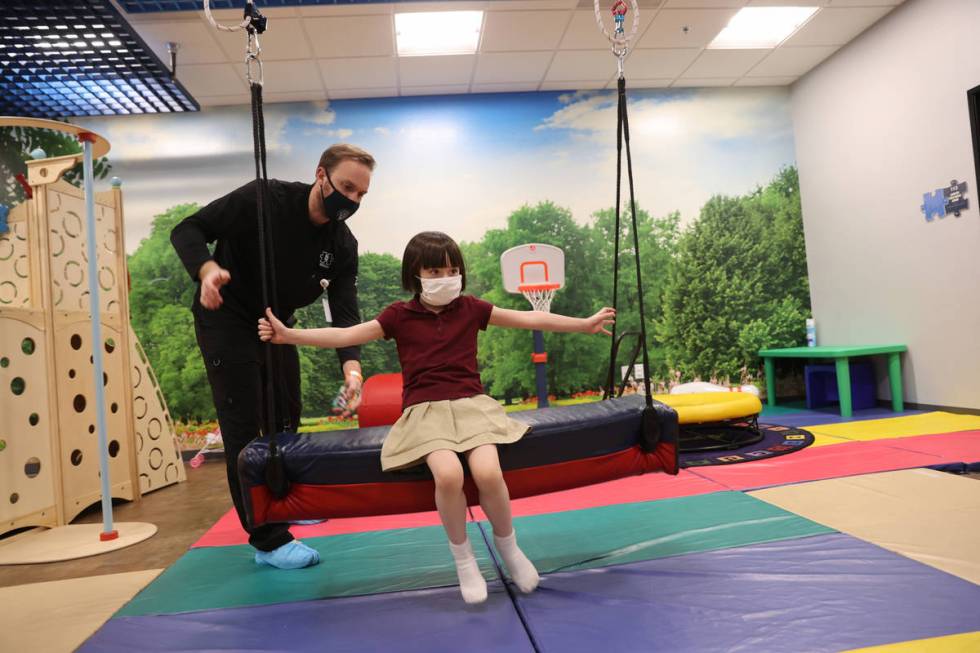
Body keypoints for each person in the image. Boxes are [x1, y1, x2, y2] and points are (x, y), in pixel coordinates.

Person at [258, 231, 615, 602]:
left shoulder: (471, 308)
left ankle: (509, 547)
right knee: (448, 475)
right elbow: (347, 333)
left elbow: (529, 318)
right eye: (434, 270)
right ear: (415, 275)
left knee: (489, 472)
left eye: (451, 269)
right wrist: (288, 336)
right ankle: (464, 560)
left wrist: (583, 323)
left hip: (471, 405)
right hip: (424, 410)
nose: (445, 277)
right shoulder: (399, 316)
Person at [170, 144, 376, 569]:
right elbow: (188, 229)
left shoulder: (341, 244)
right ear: (321, 175)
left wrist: (352, 370)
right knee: (244, 423)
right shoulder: (263, 198)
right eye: (346, 187)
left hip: (276, 325)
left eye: (361, 194)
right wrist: (207, 270)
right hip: (225, 315)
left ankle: (284, 502)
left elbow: (345, 312)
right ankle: (267, 539)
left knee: (286, 415)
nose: (351, 201)